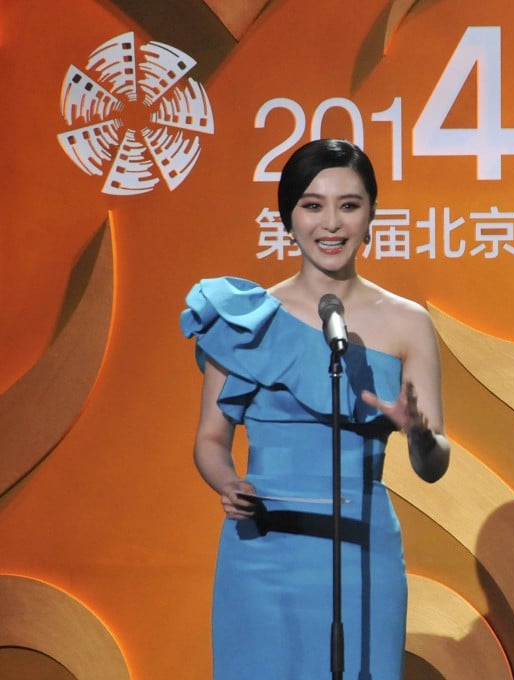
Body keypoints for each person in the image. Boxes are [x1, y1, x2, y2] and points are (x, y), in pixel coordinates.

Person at [181, 138, 450, 679]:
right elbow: (210, 438)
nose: (331, 223)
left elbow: (433, 463)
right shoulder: (245, 320)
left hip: (361, 552)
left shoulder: (407, 323)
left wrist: (420, 435)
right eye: (312, 205)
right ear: (288, 219)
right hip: (260, 553)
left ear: (371, 214)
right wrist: (227, 482)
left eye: (349, 205)